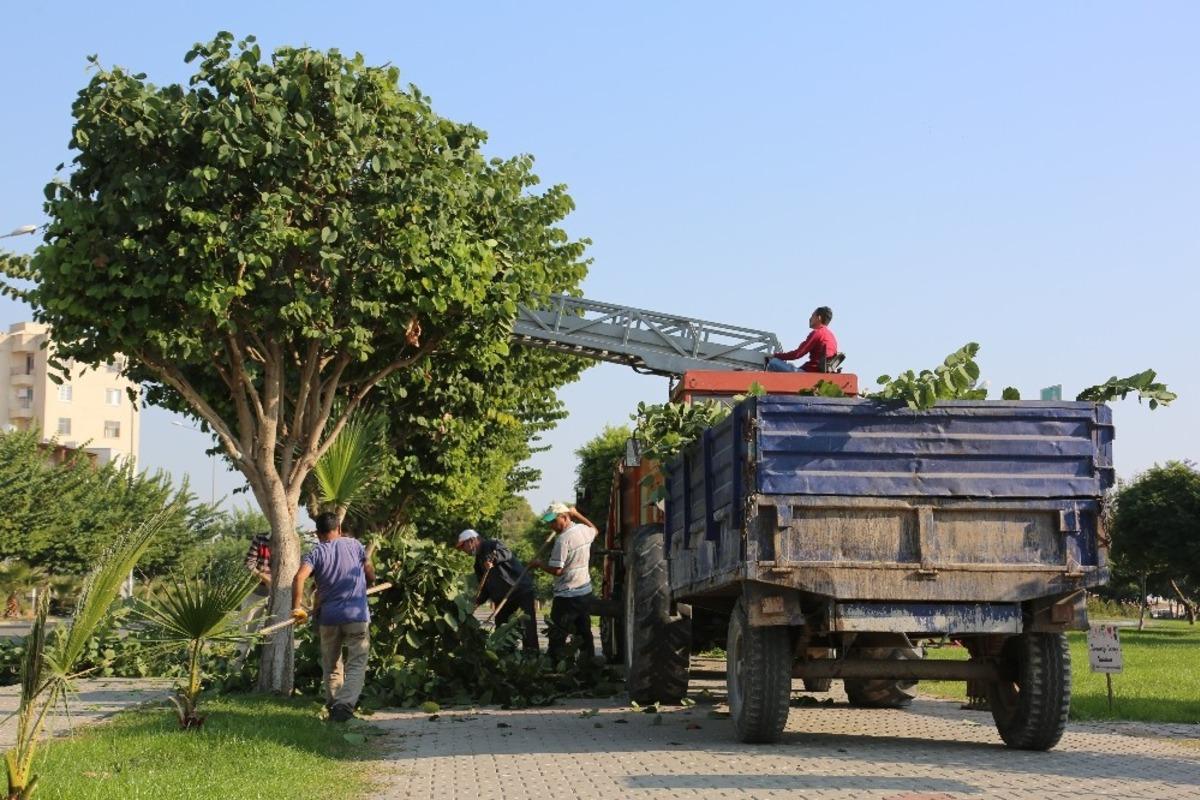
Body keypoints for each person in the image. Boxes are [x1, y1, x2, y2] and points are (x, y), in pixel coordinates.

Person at [291, 512, 375, 722]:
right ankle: (344, 706)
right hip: (356, 615)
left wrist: (297, 607)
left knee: (331, 665)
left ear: (318, 533)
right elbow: (368, 569)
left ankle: (335, 706)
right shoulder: (354, 545)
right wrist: (371, 580)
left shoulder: (316, 552)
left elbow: (299, 577)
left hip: (328, 617)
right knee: (357, 661)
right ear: (338, 529)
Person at [528, 503, 598, 664]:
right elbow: (595, 529)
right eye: (549, 522)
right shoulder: (583, 530)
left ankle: (553, 664)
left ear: (565, 518)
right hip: (584, 591)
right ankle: (589, 661)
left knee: (558, 633)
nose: (551, 525)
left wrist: (539, 564)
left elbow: (557, 570)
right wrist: (577, 514)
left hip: (567, 595)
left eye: (554, 521)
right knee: (583, 631)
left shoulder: (563, 540)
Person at [455, 529, 539, 653]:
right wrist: (476, 603)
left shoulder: (492, 544)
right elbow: (484, 588)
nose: (463, 550)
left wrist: (492, 560)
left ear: (472, 540)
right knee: (501, 629)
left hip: (520, 590)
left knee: (527, 626)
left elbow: (507, 553)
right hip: (501, 598)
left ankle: (532, 655)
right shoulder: (477, 564)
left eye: (463, 546)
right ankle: (505, 658)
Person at [235, 531, 272, 665]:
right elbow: (249, 563)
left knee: (273, 635)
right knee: (245, 634)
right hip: (256, 593)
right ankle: (236, 670)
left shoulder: (291, 539)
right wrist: (265, 577)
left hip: (279, 595)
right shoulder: (261, 538)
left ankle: (261, 668)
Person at [767, 306, 837, 372]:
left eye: (812, 316)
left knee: (773, 362)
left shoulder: (817, 333)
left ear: (819, 318)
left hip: (810, 374)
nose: (810, 319)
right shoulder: (831, 336)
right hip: (818, 373)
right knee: (790, 366)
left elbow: (797, 354)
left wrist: (776, 355)